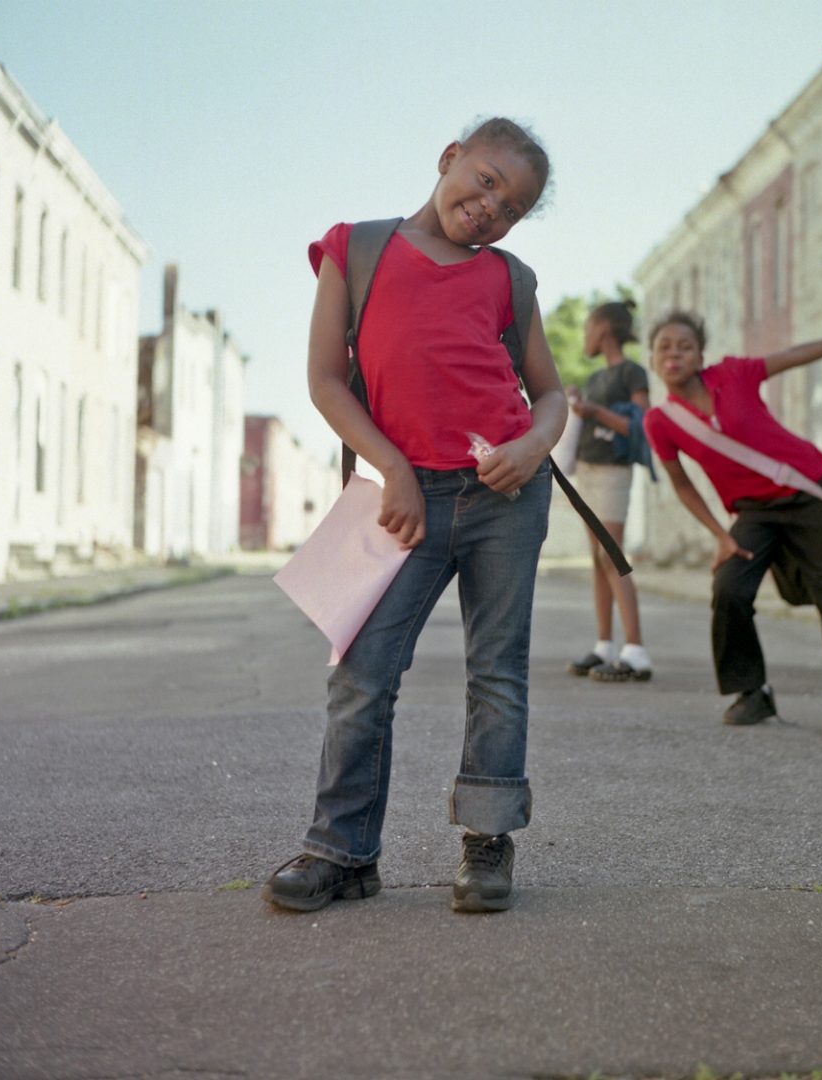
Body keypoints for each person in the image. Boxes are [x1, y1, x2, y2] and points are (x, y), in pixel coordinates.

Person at [262, 118, 566, 915]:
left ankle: (487, 843)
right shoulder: (356, 249)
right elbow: (326, 380)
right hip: (403, 501)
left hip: (506, 497)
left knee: (496, 671)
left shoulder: (509, 278)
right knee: (363, 673)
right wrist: (391, 466)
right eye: (488, 180)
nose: (491, 208)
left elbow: (552, 394)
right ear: (449, 159)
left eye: (513, 206)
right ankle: (342, 852)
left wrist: (533, 448)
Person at [643, 310, 822, 734]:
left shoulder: (735, 373)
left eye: (685, 346)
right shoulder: (660, 422)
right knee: (729, 587)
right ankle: (751, 693)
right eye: (664, 346)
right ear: (653, 358)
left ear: (700, 356)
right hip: (752, 511)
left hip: (806, 491)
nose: (674, 353)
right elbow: (681, 485)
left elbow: (795, 355)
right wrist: (719, 535)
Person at [566, 300, 654, 682]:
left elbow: (641, 426)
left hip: (614, 472)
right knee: (597, 558)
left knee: (611, 555)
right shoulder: (596, 378)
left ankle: (635, 650)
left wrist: (594, 413)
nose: (585, 338)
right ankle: (605, 645)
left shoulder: (632, 373)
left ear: (603, 330)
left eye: (587, 330)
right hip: (587, 469)